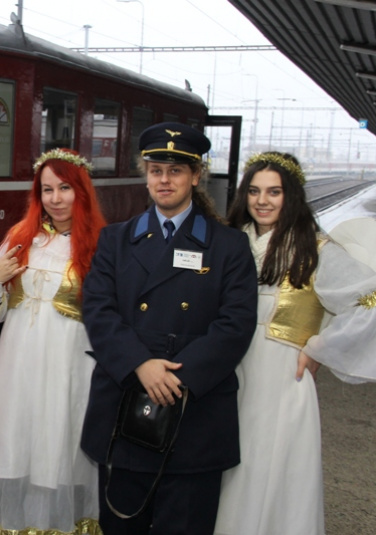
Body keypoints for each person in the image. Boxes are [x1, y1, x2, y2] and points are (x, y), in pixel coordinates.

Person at [80, 122, 258, 535]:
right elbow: (98, 310)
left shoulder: (228, 247)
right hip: (127, 409)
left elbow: (235, 324)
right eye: (156, 169)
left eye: (176, 171)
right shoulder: (116, 241)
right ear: (146, 174)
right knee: (122, 526)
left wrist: (178, 378)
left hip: (193, 415)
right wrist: (141, 364)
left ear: (196, 177)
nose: (165, 180)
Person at [214, 152, 376, 535]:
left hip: (280, 375)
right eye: (253, 191)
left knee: (268, 465)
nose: (262, 201)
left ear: (293, 197)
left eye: (275, 191)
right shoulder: (229, 243)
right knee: (224, 462)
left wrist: (320, 347)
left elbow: (368, 301)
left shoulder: (315, 250)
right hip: (224, 368)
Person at [0, 148, 107, 535]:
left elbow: (112, 317)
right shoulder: (21, 237)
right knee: (17, 441)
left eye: (64, 188)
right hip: (18, 364)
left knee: (58, 446)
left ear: (82, 191)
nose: (55, 199)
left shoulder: (102, 246)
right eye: (46, 190)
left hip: (69, 366)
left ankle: (56, 524)